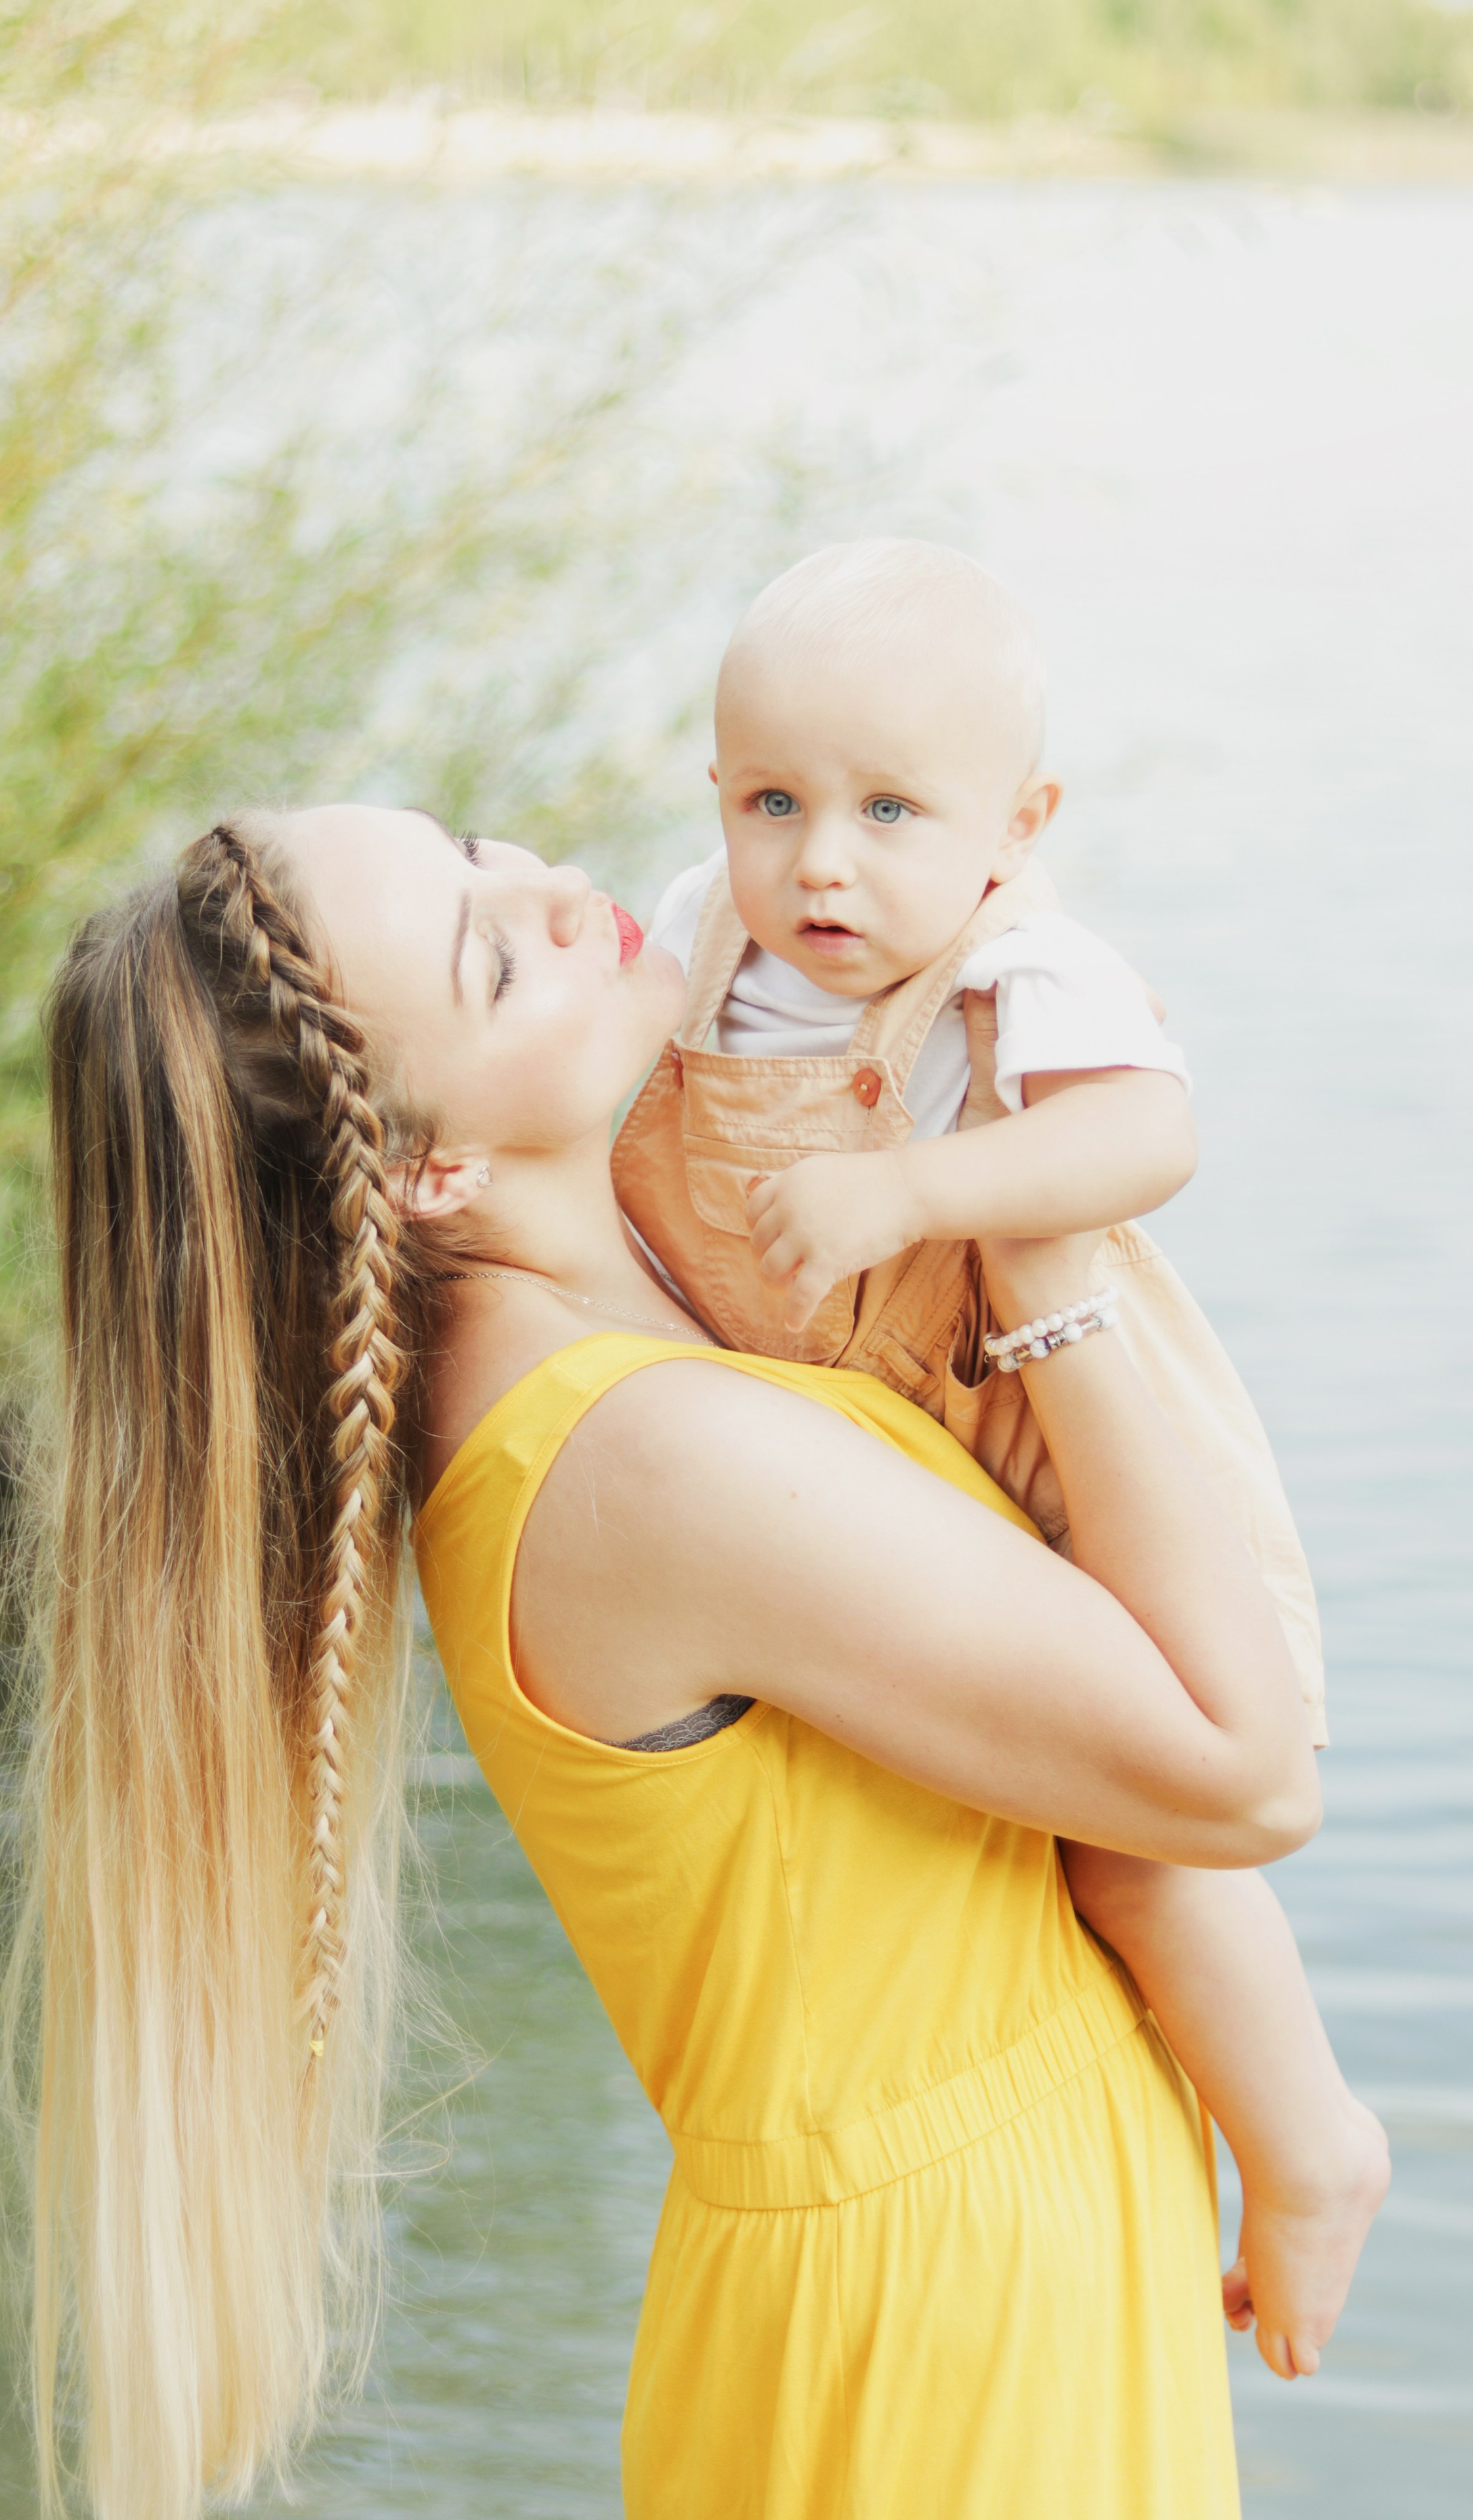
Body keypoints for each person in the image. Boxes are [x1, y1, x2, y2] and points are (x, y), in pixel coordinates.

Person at [6, 799, 1338, 2520]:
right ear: (427, 1171)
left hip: (962, 2275)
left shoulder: (615, 1326)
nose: (558, 891)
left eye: (480, 848)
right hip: (942, 2342)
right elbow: (1242, 1770)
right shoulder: (637, 1458)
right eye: (494, 960)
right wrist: (1046, 1260)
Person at [614, 538, 1386, 2384]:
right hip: (866, 1455)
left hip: (1044, 1444)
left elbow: (1145, 1139)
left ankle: (1307, 2148)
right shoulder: (700, 939)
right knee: (973, 1817)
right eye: (772, 802)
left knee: (1133, 1844)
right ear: (715, 798)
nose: (822, 863)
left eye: (890, 810)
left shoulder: (1021, 964)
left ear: (1013, 827)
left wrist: (916, 1187)